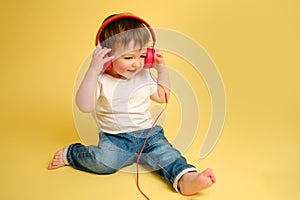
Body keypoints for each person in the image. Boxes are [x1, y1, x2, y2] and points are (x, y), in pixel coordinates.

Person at [48, 13, 216, 196]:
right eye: (128, 58)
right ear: (106, 59)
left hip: (149, 135)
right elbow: (85, 106)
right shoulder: (101, 80)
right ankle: (72, 154)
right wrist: (93, 71)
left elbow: (162, 96)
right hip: (116, 139)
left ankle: (187, 179)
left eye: (143, 55)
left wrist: (162, 69)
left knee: (168, 155)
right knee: (104, 163)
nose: (137, 63)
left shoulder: (144, 75)